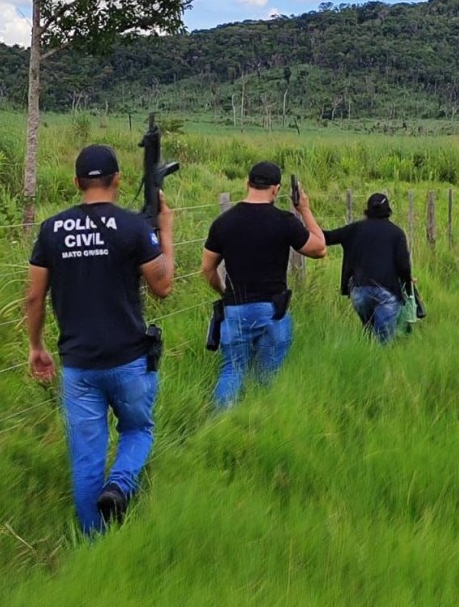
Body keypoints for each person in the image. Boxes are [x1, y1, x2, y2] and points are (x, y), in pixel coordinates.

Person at [25, 144, 174, 534]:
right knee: (138, 430)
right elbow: (164, 286)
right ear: (118, 180)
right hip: (128, 358)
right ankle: (120, 485)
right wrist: (167, 232)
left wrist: (36, 345)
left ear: (76, 183)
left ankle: (95, 542)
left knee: (86, 456)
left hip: (79, 364)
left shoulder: (52, 229)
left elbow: (33, 296)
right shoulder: (132, 226)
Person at [201, 161, 326, 409]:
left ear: (247, 183)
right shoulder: (284, 221)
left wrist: (224, 292)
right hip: (273, 309)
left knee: (231, 371)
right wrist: (305, 210)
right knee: (267, 378)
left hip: (235, 310)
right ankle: (264, 419)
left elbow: (207, 268)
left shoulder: (224, 222)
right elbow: (319, 248)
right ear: (276, 189)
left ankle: (221, 426)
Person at [323, 192, 413, 343]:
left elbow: (327, 237)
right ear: (388, 210)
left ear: (368, 210)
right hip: (387, 292)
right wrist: (408, 287)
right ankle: (381, 362)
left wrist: (304, 215)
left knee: (370, 333)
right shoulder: (396, 233)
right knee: (382, 342)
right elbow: (403, 266)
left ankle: (367, 357)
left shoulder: (354, 229)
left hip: (359, 292)